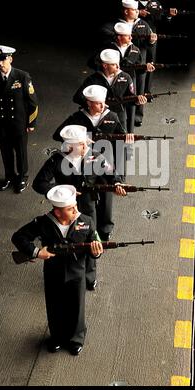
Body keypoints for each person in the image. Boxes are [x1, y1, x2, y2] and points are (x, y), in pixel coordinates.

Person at [11, 184, 103, 355]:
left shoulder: (87, 221)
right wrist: (36, 252)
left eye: (75, 206)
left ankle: (76, 339)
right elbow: (18, 237)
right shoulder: (43, 222)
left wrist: (96, 253)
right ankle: (57, 337)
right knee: (54, 307)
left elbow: (94, 248)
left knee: (77, 308)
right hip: (53, 273)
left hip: (77, 274)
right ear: (57, 211)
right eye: (70, 209)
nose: (76, 211)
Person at [32, 124, 126, 290]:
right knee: (62, 241)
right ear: (69, 146)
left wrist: (117, 183)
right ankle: (63, 274)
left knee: (91, 242)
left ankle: (89, 277)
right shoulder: (57, 160)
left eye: (85, 143)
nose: (86, 146)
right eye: (81, 144)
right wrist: (59, 192)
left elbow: (111, 173)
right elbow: (39, 183)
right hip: (64, 210)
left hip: (88, 208)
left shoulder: (94, 156)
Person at [0, 45, 38, 193]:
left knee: (20, 152)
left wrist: (31, 122)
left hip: (18, 123)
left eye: (3, 60)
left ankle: (22, 177)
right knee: (5, 151)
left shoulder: (22, 76)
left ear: (10, 58)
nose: (0, 64)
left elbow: (32, 101)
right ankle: (9, 176)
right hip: (1, 123)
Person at [73, 49, 145, 132]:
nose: (118, 67)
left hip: (119, 116)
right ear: (105, 65)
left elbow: (130, 98)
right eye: (114, 64)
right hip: (98, 118)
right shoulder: (93, 79)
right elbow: (77, 97)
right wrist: (92, 106)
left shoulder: (126, 77)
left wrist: (137, 101)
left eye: (118, 64)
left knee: (120, 142)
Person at [134, 0, 177, 91]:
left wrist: (168, 16)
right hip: (135, 37)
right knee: (135, 62)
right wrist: (138, 13)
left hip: (151, 37)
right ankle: (134, 89)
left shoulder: (155, 3)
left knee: (150, 62)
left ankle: (147, 90)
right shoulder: (132, 3)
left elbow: (162, 19)